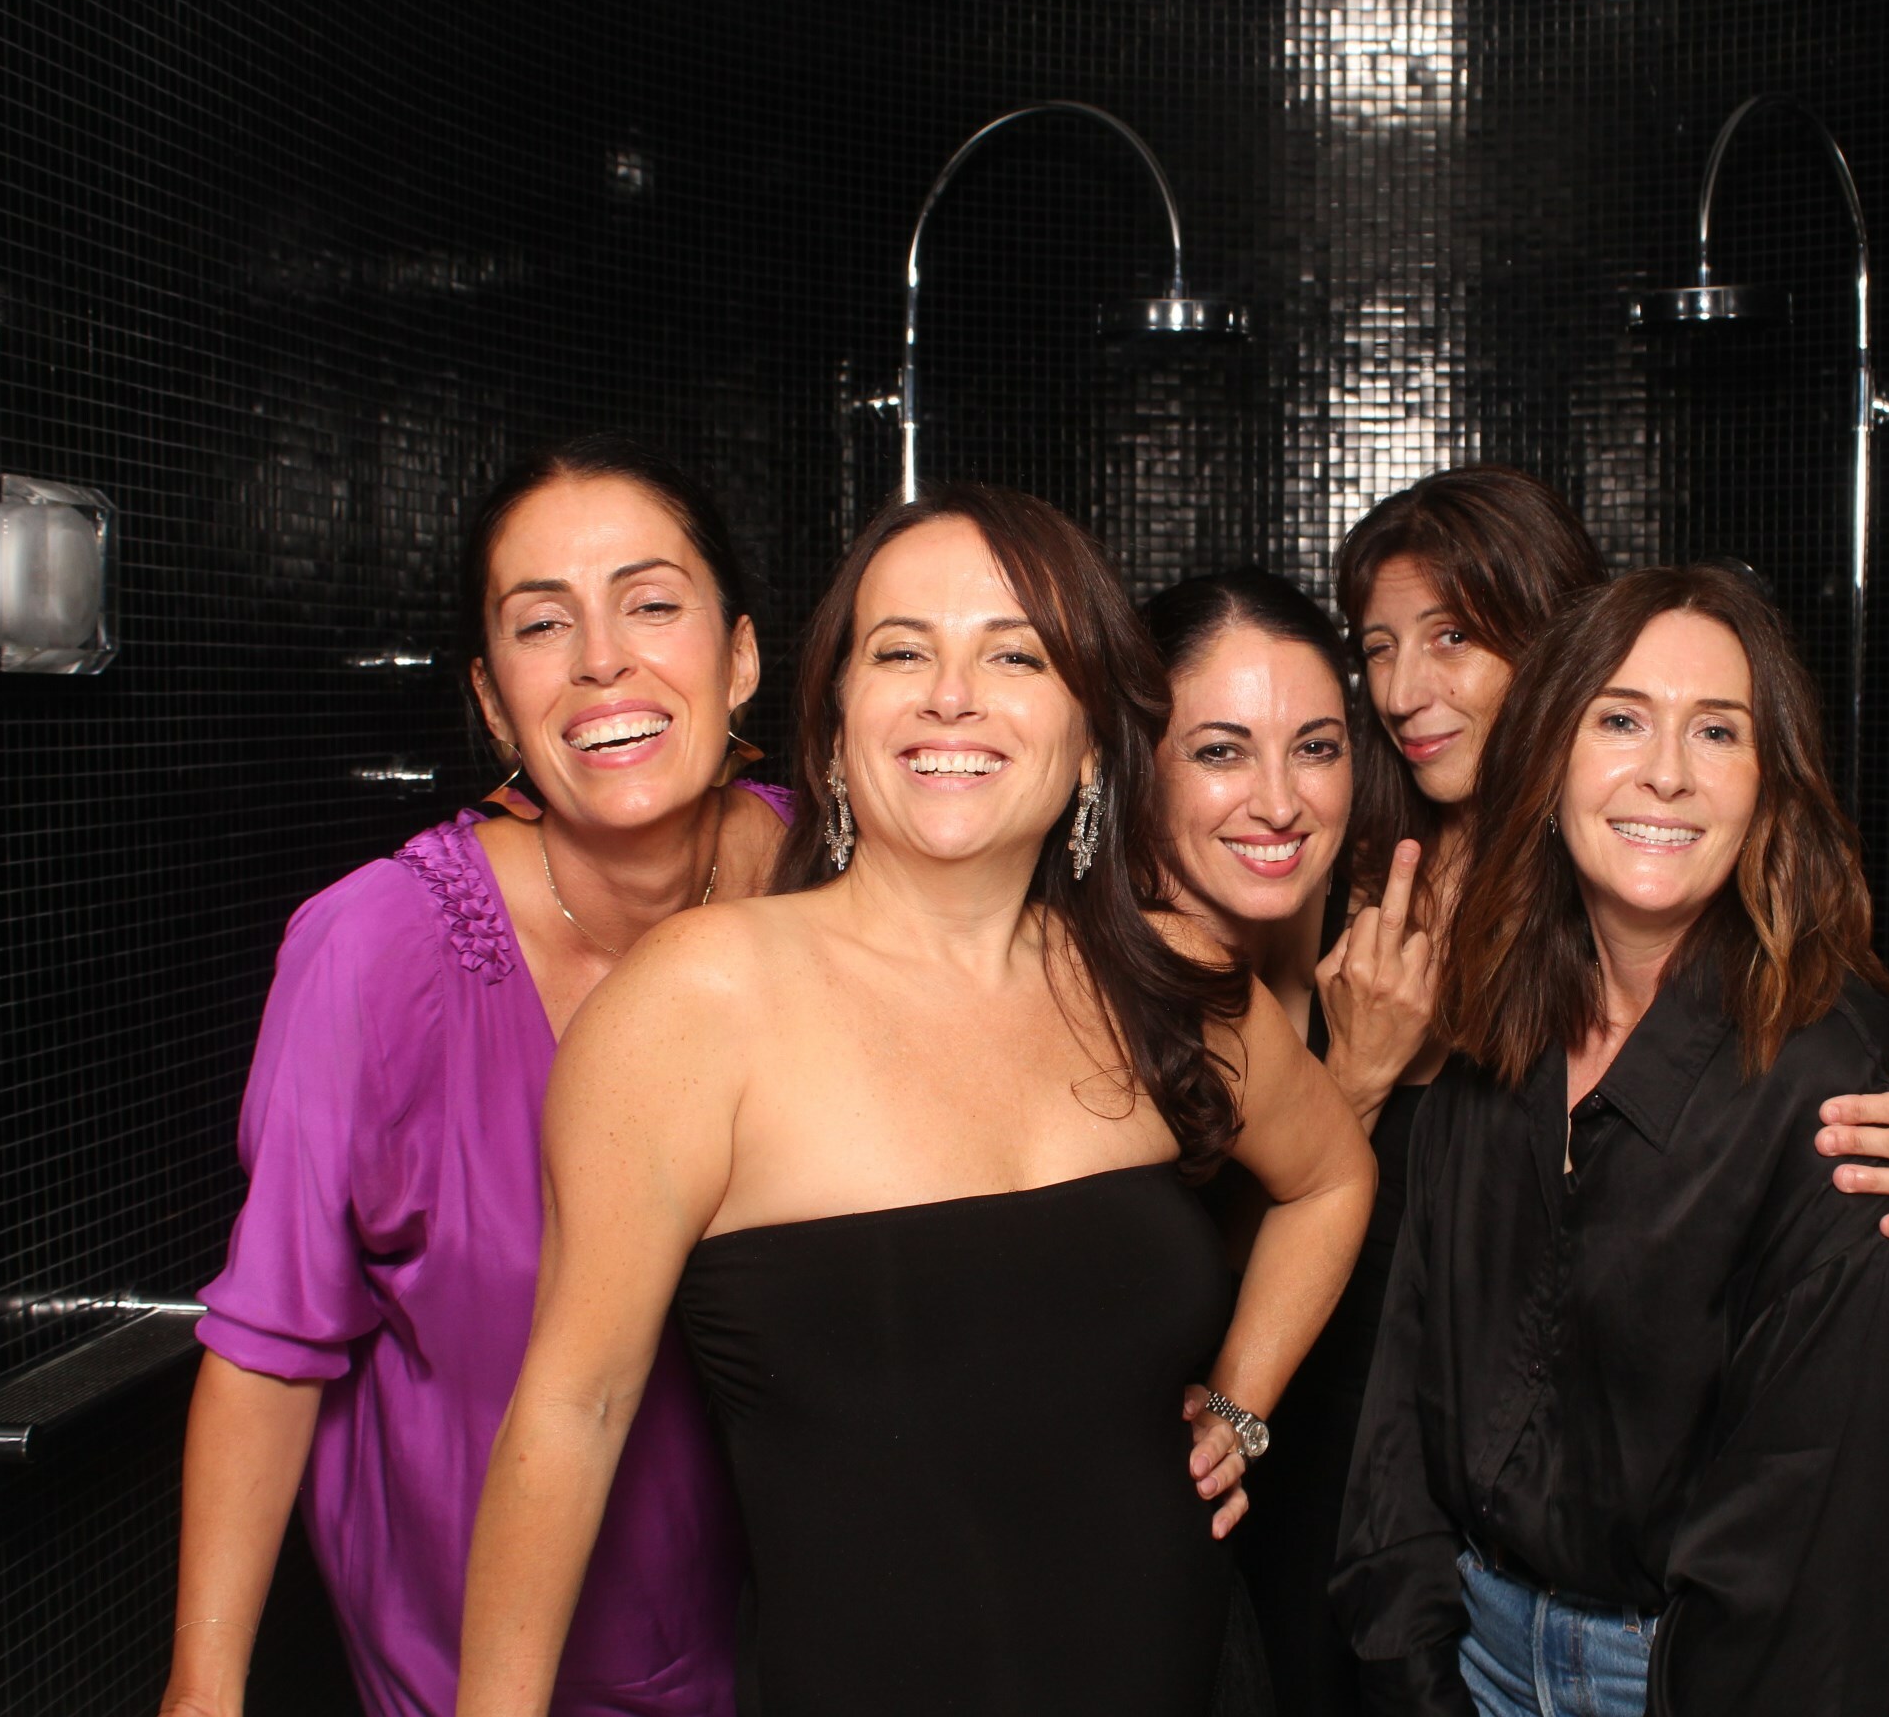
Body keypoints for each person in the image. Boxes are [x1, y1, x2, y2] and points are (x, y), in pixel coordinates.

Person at [455, 486, 1377, 1717]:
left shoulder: (1168, 981)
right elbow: (574, 1412)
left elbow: (1332, 1178)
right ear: (837, 725)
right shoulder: (693, 1005)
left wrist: (1241, 1401)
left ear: (1090, 738)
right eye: (902, 652)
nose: (954, 695)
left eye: (1015, 655)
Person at [161, 436, 787, 1717]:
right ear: (496, 703)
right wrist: (200, 1693)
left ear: (739, 659)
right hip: (471, 1674)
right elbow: (271, 1343)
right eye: (542, 624)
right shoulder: (376, 949)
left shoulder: (839, 882)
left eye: (650, 604)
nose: (602, 658)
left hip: (798, 1654)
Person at [1336, 564, 1889, 1717]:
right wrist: (1412, 1665)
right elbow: (1403, 1399)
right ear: (1549, 759)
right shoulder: (1496, 1021)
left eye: (1716, 731)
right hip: (1467, 1652)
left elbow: (1814, 1566)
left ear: (1769, 785)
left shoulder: (1846, 1102)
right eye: (1620, 720)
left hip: (1672, 1681)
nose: (1666, 771)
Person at [1143, 569, 1438, 1717]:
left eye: (1315, 748)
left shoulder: (1394, 948)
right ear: (1139, 762)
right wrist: (1352, 1083)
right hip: (1176, 1555)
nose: (1278, 802)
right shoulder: (1095, 974)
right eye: (1221, 752)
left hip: (1377, 1556)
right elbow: (1172, 1282)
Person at [1334, 466, 1610, 1091]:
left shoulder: (1625, 878)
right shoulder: (1338, 872)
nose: (1400, 696)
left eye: (1452, 637)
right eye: (1380, 649)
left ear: (1550, 643)